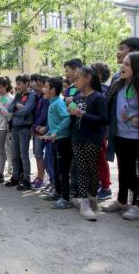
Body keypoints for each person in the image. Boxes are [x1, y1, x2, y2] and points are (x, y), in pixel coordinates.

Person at [103, 52, 139, 220]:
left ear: (138, 67)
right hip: (120, 136)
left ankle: (137, 205)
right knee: (123, 170)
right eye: (123, 64)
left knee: (138, 172)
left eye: (127, 64)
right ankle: (121, 201)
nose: (122, 66)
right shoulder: (118, 84)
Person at [68, 66, 108, 221]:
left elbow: (104, 119)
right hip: (77, 139)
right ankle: (83, 202)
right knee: (81, 169)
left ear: (88, 78)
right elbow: (74, 120)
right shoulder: (77, 97)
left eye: (77, 78)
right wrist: (71, 111)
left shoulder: (98, 97)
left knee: (92, 169)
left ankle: (92, 198)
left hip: (92, 139)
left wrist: (81, 113)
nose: (74, 81)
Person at [40, 77, 73, 209]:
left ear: (53, 90)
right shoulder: (53, 103)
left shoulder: (58, 103)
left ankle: (65, 199)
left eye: (46, 87)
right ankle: (58, 193)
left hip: (62, 141)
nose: (43, 89)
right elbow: (57, 122)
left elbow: (67, 118)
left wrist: (56, 132)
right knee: (55, 167)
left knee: (62, 170)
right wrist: (49, 134)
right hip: (55, 140)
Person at [6, 75, 36, 190]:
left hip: (24, 128)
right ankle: (15, 177)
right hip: (14, 127)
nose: (16, 86)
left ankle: (27, 179)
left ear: (27, 83)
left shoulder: (32, 95)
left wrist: (15, 110)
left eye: (19, 84)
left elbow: (26, 110)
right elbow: (9, 109)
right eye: (16, 83)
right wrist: (15, 108)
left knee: (24, 155)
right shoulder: (18, 95)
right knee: (14, 154)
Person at [91, 62, 113, 200]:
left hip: (99, 131)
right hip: (88, 131)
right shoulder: (86, 90)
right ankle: (97, 184)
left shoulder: (103, 90)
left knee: (100, 158)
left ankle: (105, 186)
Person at [63, 58, 83, 198]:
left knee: (80, 162)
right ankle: (73, 188)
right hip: (71, 129)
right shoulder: (70, 89)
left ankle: (84, 191)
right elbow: (66, 108)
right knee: (72, 161)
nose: (66, 74)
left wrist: (73, 103)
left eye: (67, 71)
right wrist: (66, 102)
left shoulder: (88, 88)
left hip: (84, 130)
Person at [31, 75, 49, 189]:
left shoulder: (47, 98)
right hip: (37, 129)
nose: (35, 87)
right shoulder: (39, 97)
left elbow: (45, 115)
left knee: (47, 156)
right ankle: (40, 177)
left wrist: (44, 127)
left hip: (45, 130)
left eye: (38, 85)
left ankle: (44, 178)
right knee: (37, 153)